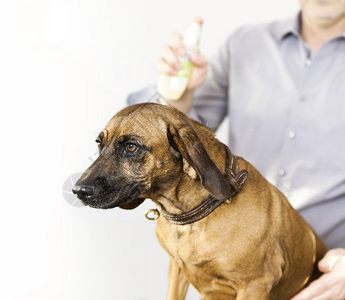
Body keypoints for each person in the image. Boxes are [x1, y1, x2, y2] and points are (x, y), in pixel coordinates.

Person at [128, 0, 345, 299]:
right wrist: (178, 96)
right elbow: (187, 138)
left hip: (324, 278)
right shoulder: (245, 44)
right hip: (233, 276)